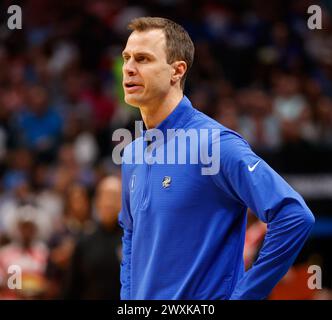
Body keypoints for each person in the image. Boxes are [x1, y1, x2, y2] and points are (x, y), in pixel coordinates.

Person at [119, 17, 315, 300]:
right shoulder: (132, 154)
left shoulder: (215, 144)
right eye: (126, 58)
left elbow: (294, 217)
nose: (128, 68)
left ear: (177, 71)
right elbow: (131, 237)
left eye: (143, 59)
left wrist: (245, 296)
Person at [63, 176, 122, 299]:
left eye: (114, 197)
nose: (109, 202)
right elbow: (72, 288)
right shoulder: (85, 240)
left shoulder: (134, 241)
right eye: (105, 196)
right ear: (97, 201)